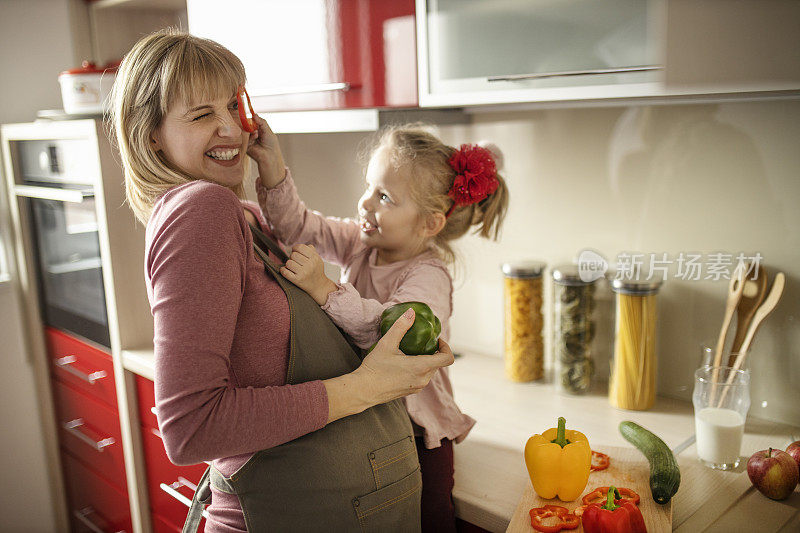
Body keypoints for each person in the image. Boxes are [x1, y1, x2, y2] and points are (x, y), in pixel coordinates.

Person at [109, 28, 455, 533]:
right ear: (151, 136)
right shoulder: (202, 210)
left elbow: (298, 230)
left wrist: (272, 171)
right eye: (203, 115)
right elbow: (190, 427)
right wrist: (362, 388)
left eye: (233, 105)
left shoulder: (243, 215)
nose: (231, 129)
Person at [256, 124, 509, 531]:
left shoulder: (430, 277)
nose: (365, 203)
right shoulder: (361, 242)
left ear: (430, 224)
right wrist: (272, 166)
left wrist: (325, 288)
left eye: (385, 197)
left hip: (419, 428)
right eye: (369, 187)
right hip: (372, 416)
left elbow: (392, 333)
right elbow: (300, 227)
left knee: (432, 519)